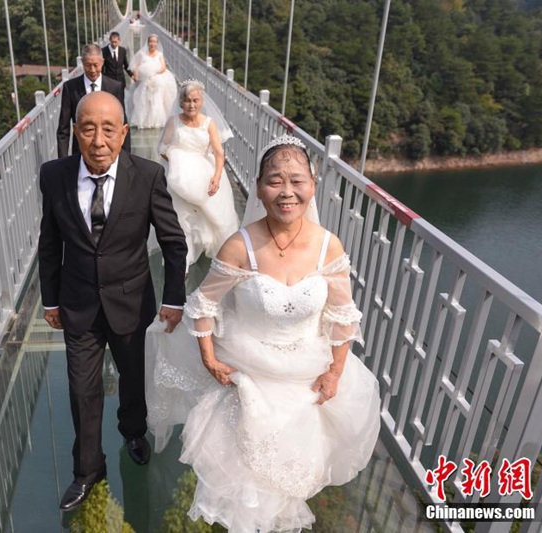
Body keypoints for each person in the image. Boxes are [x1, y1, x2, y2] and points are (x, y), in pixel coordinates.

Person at [145, 135, 381, 531]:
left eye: (296, 180)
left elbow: (342, 316)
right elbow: (204, 305)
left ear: (312, 185)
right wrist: (209, 359)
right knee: (248, 486)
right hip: (248, 375)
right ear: (257, 187)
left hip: (307, 377)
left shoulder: (329, 247)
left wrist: (336, 372)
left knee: (291, 479)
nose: (286, 192)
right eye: (275, 180)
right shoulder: (240, 246)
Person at [39, 91, 188, 511]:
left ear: (124, 134)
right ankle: (87, 471)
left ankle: (133, 432)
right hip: (77, 303)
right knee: (81, 389)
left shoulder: (147, 176)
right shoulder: (54, 175)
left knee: (133, 377)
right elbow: (49, 243)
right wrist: (50, 299)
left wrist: (174, 299)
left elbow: (174, 243)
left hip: (132, 299)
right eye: (88, 128)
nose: (98, 140)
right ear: (76, 132)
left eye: (108, 129)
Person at [158, 79, 239, 267]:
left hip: (205, 172)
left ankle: (214, 251)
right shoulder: (174, 122)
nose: (191, 105)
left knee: (211, 216)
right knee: (181, 216)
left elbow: (219, 152)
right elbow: (162, 148)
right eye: (187, 100)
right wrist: (178, 160)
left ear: (201, 102)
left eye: (195, 100)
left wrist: (217, 177)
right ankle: (183, 257)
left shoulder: (208, 123)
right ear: (180, 102)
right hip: (180, 177)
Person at [57, 44, 131, 158]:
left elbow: (122, 123)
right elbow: (63, 129)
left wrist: (126, 158)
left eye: (96, 65)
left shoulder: (115, 87)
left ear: (102, 62)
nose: (92, 70)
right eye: (88, 65)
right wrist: (62, 162)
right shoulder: (70, 88)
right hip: (81, 154)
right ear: (82, 62)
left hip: (108, 152)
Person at [129, 34, 177, 129]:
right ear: (148, 43)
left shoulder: (160, 55)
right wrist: (136, 75)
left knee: (156, 100)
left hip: (156, 80)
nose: (152, 44)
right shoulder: (142, 54)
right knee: (143, 100)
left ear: (157, 43)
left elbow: (163, 67)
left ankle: (155, 121)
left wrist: (153, 73)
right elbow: (135, 65)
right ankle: (143, 122)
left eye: (154, 42)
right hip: (144, 80)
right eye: (151, 41)